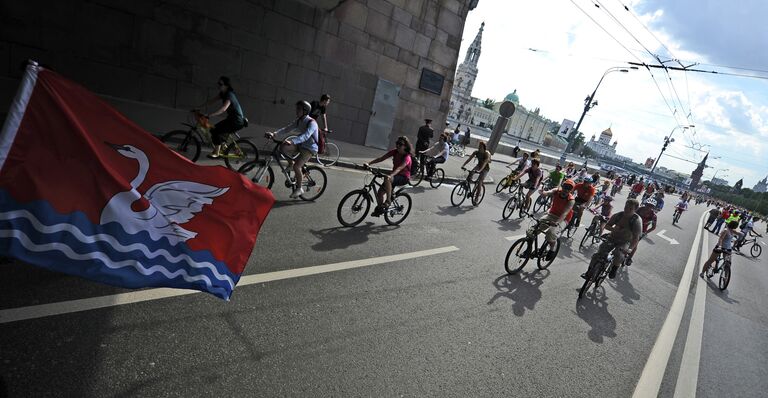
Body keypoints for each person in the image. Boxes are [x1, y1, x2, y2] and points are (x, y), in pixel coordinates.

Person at [266, 100, 319, 198]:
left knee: (297, 167)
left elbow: (306, 136)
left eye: (298, 109)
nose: (296, 111)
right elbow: (287, 129)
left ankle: (299, 188)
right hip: (301, 144)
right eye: (297, 108)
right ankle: (290, 164)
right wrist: (274, 134)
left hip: (310, 148)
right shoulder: (299, 121)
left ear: (305, 111)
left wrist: (293, 141)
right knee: (283, 147)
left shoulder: (312, 123)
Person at [584, 199, 642, 279]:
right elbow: (607, 225)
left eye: (630, 208)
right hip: (612, 237)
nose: (627, 210)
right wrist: (613, 229)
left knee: (618, 254)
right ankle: (588, 272)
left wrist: (630, 249)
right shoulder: (618, 215)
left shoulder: (636, 221)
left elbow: (636, 237)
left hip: (625, 241)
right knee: (598, 254)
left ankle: (614, 269)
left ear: (635, 210)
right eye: (626, 207)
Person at [364, 136, 413, 216]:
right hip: (394, 176)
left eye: (400, 144)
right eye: (397, 143)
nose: (397, 146)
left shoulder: (407, 157)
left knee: (387, 178)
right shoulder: (395, 152)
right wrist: (369, 163)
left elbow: (400, 168)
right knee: (380, 193)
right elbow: (381, 158)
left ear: (405, 146)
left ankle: (388, 200)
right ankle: (380, 209)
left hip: (403, 177)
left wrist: (391, 175)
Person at [202, 76, 246, 158]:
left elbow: (223, 109)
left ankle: (217, 152)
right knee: (214, 129)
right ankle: (224, 145)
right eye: (218, 83)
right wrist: (199, 107)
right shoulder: (223, 94)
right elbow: (211, 101)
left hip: (236, 121)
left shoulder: (229, 95)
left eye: (220, 84)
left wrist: (209, 115)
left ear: (226, 86)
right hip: (231, 120)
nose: (218, 85)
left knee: (216, 131)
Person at [536, 179, 576, 261]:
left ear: (571, 190)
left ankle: (552, 249)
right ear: (562, 186)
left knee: (551, 232)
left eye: (569, 188)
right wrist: (541, 189)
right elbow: (545, 193)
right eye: (565, 187)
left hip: (563, 219)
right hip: (552, 214)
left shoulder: (571, 200)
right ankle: (527, 250)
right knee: (534, 229)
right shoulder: (556, 191)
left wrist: (557, 223)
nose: (566, 190)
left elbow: (565, 213)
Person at [626, 199, 658, 265]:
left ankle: (629, 258)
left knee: (635, 244)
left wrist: (645, 233)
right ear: (645, 204)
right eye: (647, 205)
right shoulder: (639, 209)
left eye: (651, 206)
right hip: (632, 225)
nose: (648, 207)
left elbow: (653, 227)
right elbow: (631, 215)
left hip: (641, 230)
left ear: (653, 207)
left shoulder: (653, 216)